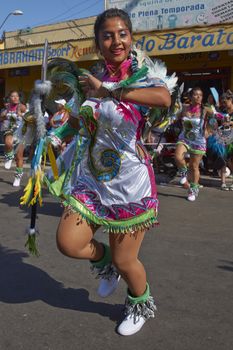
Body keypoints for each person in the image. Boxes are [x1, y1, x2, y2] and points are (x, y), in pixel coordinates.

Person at [43, 8, 173, 335]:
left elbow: (163, 98)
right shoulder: (91, 79)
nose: (116, 40)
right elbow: (79, 121)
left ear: (131, 37)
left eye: (122, 33)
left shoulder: (144, 73)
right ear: (98, 41)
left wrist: (110, 90)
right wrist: (52, 135)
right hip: (92, 179)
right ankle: (103, 265)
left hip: (130, 184)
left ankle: (138, 301)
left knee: (126, 260)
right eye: (108, 35)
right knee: (69, 243)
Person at [175, 87, 213, 201]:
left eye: (200, 95)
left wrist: (208, 131)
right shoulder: (184, 108)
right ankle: (183, 173)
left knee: (194, 166)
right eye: (196, 95)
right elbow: (175, 118)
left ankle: (193, 189)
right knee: (178, 156)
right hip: (185, 138)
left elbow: (214, 121)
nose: (198, 97)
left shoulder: (206, 109)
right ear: (190, 97)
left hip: (198, 141)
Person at [0, 90, 26, 186]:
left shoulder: (22, 107)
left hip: (21, 133)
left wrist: (20, 115)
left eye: (16, 96)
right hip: (10, 130)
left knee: (19, 157)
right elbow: (1, 118)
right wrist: (3, 116)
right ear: (9, 98)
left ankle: (18, 177)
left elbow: (29, 118)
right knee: (8, 143)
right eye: (12, 96)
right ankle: (9, 157)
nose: (15, 98)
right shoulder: (7, 107)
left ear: (19, 98)